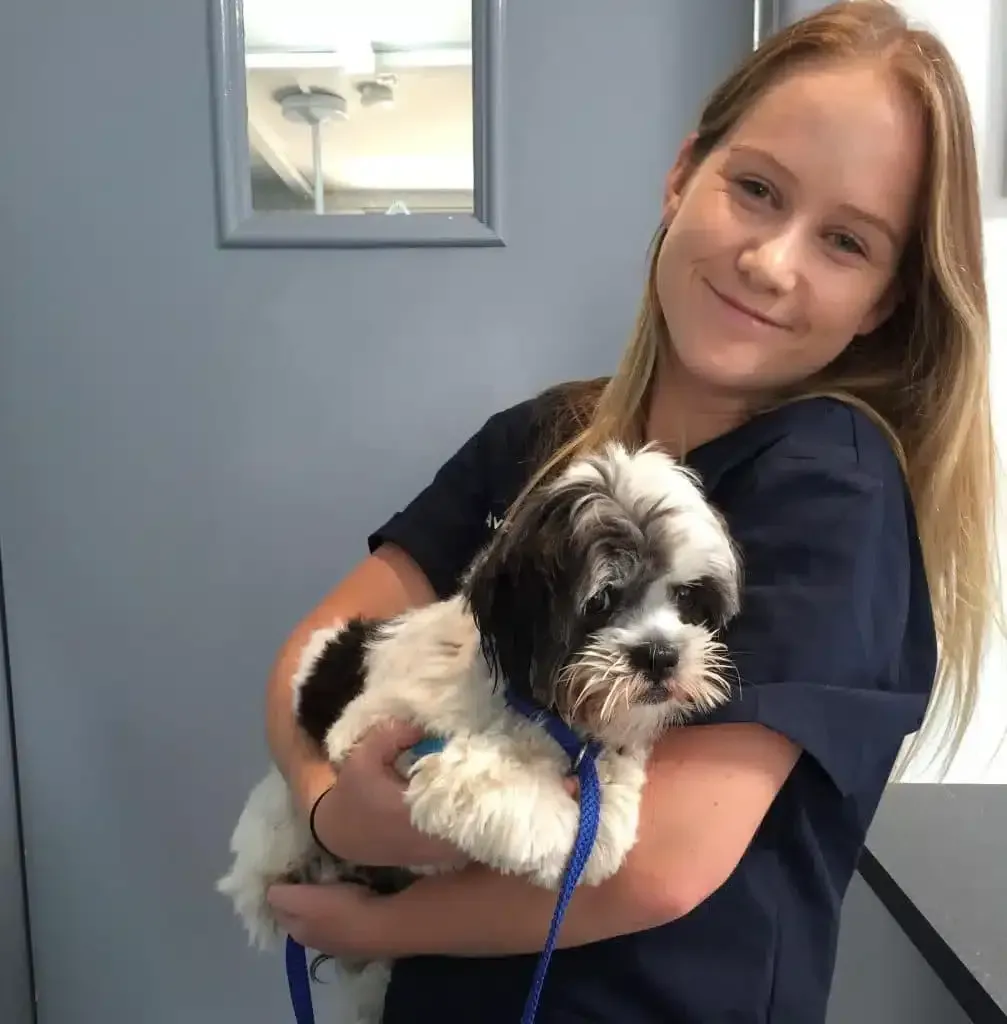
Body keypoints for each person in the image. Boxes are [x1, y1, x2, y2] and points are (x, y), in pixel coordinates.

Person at [262, 2, 1001, 1021]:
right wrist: (327, 810)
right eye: (754, 189)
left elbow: (659, 866)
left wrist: (368, 920)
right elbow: (319, 644)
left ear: (882, 298)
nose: (770, 261)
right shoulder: (539, 442)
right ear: (681, 174)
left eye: (842, 241)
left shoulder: (831, 483)